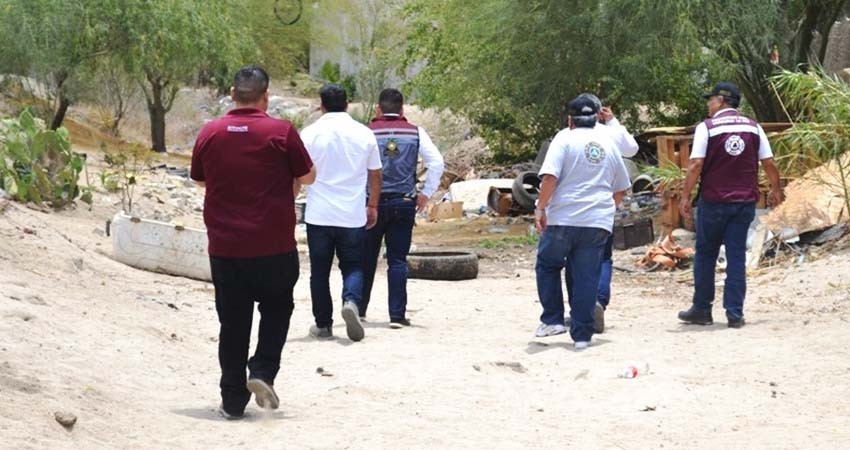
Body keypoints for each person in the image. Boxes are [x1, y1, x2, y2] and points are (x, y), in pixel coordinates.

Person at [191, 66, 316, 420]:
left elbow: (200, 180)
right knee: (277, 310)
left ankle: (232, 401)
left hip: (226, 248)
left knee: (232, 323)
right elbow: (307, 175)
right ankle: (261, 372)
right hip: (274, 245)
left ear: (232, 94)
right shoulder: (281, 132)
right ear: (265, 97)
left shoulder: (210, 132)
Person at [678, 82, 783, 328]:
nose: (708, 104)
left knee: (705, 254)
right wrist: (776, 189)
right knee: (736, 256)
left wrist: (685, 195)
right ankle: (734, 313)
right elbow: (769, 162)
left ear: (722, 101)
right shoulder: (754, 127)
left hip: (714, 202)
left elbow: (695, 165)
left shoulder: (707, 128)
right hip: (744, 202)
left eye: (711, 100)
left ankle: (702, 309)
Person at [534, 96, 631, 349]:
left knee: (548, 265)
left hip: (563, 218)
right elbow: (621, 186)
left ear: (570, 120)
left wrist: (541, 207)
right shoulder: (608, 143)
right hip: (596, 222)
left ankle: (553, 319)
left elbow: (550, 178)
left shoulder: (563, 139)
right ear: (596, 118)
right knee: (587, 276)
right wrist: (607, 210)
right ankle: (582, 336)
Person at [300, 83, 382, 342]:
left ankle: (323, 325)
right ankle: (351, 303)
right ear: (347, 104)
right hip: (352, 214)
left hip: (318, 215)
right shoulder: (364, 133)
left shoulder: (309, 134)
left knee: (320, 271)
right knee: (354, 266)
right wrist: (373, 205)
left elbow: (299, 174)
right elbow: (376, 174)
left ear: (321, 105)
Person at [360, 88, 445, 327]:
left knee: (366, 259)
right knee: (397, 260)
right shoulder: (416, 132)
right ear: (402, 109)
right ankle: (396, 315)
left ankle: (360, 309)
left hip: (371, 205)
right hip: (404, 202)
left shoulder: (366, 132)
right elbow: (437, 163)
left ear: (378, 108)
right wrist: (425, 194)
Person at [566, 93, 639, 333]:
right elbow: (632, 149)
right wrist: (613, 121)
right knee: (604, 257)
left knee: (574, 260)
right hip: (603, 207)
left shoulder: (567, 136)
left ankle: (578, 309)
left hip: (572, 211)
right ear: (599, 113)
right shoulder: (610, 134)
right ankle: (597, 301)